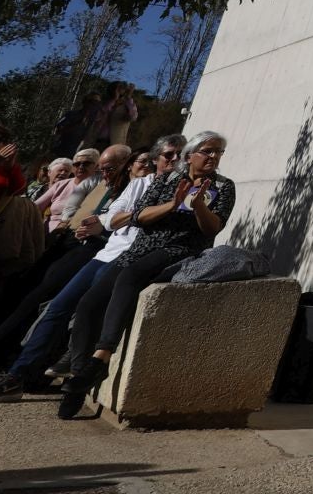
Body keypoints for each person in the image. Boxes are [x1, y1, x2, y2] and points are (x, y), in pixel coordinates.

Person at [0, 136, 180, 401]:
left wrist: (131, 217)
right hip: (106, 253)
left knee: (88, 307)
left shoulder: (180, 189)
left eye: (180, 155)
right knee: (57, 307)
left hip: (131, 258)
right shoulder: (138, 185)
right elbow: (111, 219)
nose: (175, 160)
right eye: (169, 155)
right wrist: (133, 216)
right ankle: (17, 376)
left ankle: (74, 377)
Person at [57, 131, 234, 418]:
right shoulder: (167, 180)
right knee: (89, 303)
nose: (213, 157)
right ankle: (80, 377)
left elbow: (213, 228)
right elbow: (139, 216)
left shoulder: (224, 187)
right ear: (191, 155)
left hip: (181, 248)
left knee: (131, 276)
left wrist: (199, 205)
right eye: (208, 151)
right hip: (143, 246)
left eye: (218, 152)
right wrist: (172, 205)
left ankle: (101, 356)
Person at [0, 144, 134, 392]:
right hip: (67, 243)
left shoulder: (132, 188)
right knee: (19, 295)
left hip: (92, 249)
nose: (104, 173)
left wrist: (98, 227)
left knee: (40, 303)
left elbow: (114, 224)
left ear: (127, 163)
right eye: (101, 168)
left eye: (109, 168)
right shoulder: (98, 185)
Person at [101, 81, 138, 148]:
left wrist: (128, 97)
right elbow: (103, 112)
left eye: (121, 88)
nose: (118, 91)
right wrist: (114, 99)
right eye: (117, 88)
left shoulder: (127, 105)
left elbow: (133, 117)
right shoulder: (103, 102)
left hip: (116, 142)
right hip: (99, 140)